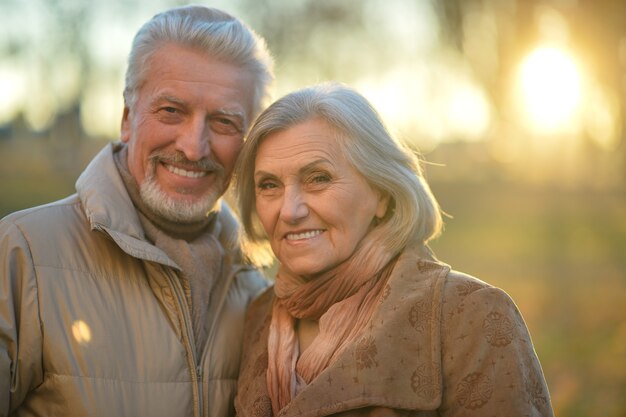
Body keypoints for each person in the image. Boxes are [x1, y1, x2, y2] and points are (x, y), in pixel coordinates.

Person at [0, 5, 274, 417]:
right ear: (127, 118)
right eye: (171, 111)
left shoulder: (260, 294)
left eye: (223, 122)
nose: (194, 147)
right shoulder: (23, 256)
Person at [233, 82, 554, 417]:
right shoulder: (257, 316)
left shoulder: (470, 315)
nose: (289, 210)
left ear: (383, 194)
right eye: (269, 185)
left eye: (318, 178)